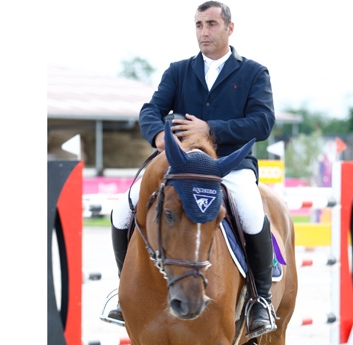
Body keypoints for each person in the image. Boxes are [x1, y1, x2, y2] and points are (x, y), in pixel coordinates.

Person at [106, 0, 277, 338]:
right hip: (182, 167)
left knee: (252, 211)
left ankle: (261, 300)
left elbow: (263, 121)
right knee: (120, 210)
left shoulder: (254, 72)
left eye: (211, 24)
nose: (204, 32)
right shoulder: (178, 70)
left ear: (229, 28)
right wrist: (156, 133)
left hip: (229, 166)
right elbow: (151, 109)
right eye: (199, 25)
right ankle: (125, 290)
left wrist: (210, 130)